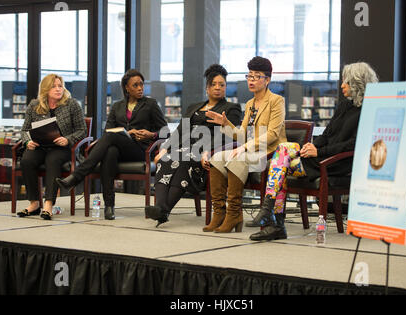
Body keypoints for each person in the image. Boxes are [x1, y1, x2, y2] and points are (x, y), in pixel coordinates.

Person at [248, 62, 379, 241]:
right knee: (283, 153)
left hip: (337, 163)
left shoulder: (370, 110)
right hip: (321, 157)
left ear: (357, 83)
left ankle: (274, 220)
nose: (342, 86)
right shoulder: (344, 106)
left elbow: (354, 144)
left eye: (345, 82)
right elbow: (327, 134)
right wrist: (312, 146)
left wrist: (320, 151)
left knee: (280, 162)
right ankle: (271, 215)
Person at [56, 69, 167, 220]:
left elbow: (165, 131)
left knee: (110, 138)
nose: (140, 88)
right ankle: (109, 207)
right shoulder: (117, 106)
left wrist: (151, 134)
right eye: (135, 85)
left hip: (140, 150)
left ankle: (76, 176)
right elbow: (109, 129)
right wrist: (129, 132)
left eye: (141, 84)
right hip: (119, 148)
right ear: (127, 88)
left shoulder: (150, 104)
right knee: (110, 151)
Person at [145, 64, 242, 227]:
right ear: (207, 88)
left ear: (226, 88)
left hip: (205, 150)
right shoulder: (193, 107)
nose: (218, 88)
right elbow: (179, 131)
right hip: (183, 147)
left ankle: (163, 210)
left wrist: (208, 152)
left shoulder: (231, 108)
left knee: (184, 161)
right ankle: (161, 209)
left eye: (222, 85)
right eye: (214, 84)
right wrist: (164, 148)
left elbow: (227, 136)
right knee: (164, 159)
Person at [203, 56, 287, 233]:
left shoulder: (276, 101)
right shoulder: (250, 104)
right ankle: (219, 212)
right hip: (251, 151)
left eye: (257, 76)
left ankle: (234, 213)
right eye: (249, 76)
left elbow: (272, 134)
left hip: (269, 153)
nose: (251, 80)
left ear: (267, 80)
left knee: (237, 158)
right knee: (216, 158)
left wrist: (245, 147)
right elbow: (242, 135)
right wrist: (225, 124)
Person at [18, 74, 87, 220]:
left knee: (52, 160)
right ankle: (34, 203)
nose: (58, 89)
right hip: (40, 146)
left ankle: (48, 204)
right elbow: (24, 130)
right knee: (26, 160)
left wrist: (67, 139)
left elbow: (82, 130)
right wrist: (27, 142)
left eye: (60, 86)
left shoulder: (72, 104)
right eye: (53, 86)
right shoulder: (34, 105)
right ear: (45, 89)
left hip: (62, 148)